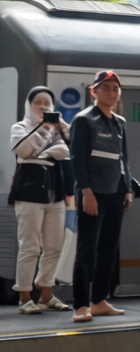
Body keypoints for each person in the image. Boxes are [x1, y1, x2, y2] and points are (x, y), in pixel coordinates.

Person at [69, 71, 134, 323]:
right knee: (87, 249)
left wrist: (127, 189)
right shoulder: (84, 120)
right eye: (105, 87)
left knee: (108, 250)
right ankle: (80, 305)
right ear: (93, 91)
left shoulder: (120, 122)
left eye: (115, 88)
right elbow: (77, 160)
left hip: (116, 192)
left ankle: (98, 301)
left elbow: (124, 159)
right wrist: (86, 191)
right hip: (93, 194)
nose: (112, 92)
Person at [9, 86, 72, 314]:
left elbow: (68, 152)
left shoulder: (58, 130)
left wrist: (60, 127)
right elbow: (23, 151)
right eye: (38, 102)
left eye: (47, 103)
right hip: (29, 193)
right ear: (29, 105)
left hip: (55, 193)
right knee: (30, 246)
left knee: (54, 247)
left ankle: (46, 293)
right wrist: (44, 128)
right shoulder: (20, 127)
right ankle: (24, 296)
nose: (43, 106)